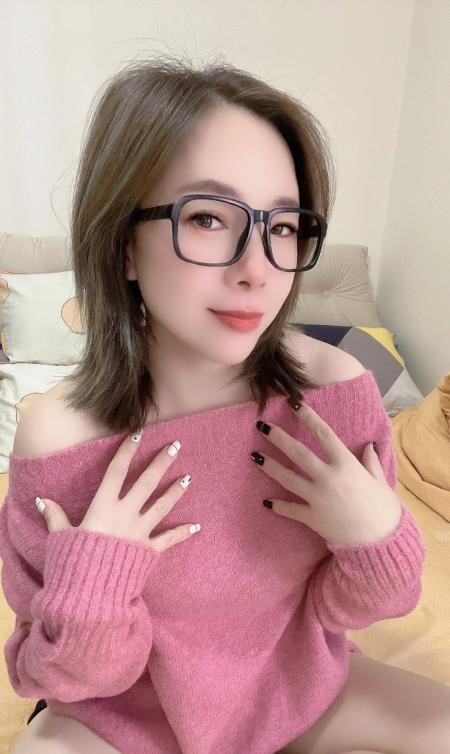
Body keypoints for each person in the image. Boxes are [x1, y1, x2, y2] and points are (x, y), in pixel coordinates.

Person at [0, 56, 448, 754]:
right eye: (208, 217)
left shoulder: (333, 392)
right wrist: (96, 579)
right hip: (122, 721)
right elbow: (57, 675)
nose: (257, 269)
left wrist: (374, 536)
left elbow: (356, 609)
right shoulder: (60, 439)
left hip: (296, 693)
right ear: (124, 245)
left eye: (283, 226)